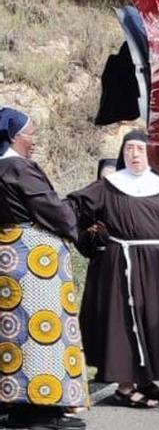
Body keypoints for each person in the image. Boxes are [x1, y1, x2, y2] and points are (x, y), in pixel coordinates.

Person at [67, 130, 159, 409]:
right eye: (129, 149)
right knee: (124, 326)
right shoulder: (108, 187)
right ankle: (125, 386)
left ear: (150, 153)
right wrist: (91, 235)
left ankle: (145, 381)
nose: (134, 154)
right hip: (121, 264)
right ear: (122, 153)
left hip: (157, 267)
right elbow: (70, 208)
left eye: (140, 149)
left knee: (154, 321)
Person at [0, 107, 88, 429]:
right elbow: (55, 212)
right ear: (14, 136)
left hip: (7, 258)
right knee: (42, 332)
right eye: (30, 133)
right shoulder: (18, 168)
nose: (33, 140)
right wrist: (75, 215)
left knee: (15, 334)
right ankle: (43, 411)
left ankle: (17, 408)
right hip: (34, 263)